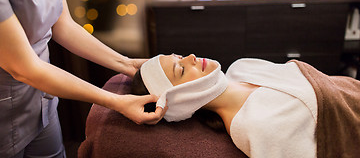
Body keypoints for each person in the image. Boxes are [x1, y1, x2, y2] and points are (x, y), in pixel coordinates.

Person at [0, 0, 165, 157]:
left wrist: (127, 64)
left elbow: (63, 25)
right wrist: (116, 102)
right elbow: (24, 68)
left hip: (42, 104)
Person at [135, 54, 360, 158]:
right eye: (180, 70)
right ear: (179, 98)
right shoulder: (254, 127)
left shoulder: (242, 67)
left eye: (180, 56)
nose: (191, 57)